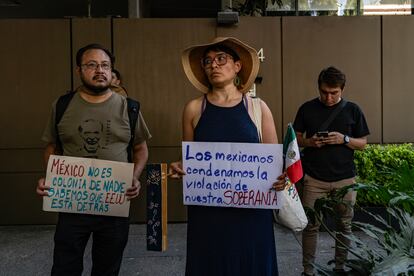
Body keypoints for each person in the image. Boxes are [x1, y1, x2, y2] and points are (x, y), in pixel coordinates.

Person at [169, 37, 287, 276]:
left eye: (221, 59)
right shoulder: (193, 108)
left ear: (237, 66)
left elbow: (274, 162)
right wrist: (181, 167)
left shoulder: (258, 107)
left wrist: (281, 177)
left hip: (252, 211)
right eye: (208, 61)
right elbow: (190, 158)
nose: (214, 65)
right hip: (208, 213)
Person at [36, 43, 151, 276]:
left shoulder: (129, 108)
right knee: (64, 266)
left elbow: (141, 149)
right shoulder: (62, 105)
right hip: (72, 204)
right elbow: (52, 148)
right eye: (92, 65)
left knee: (107, 268)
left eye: (105, 65)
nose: (100, 70)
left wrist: (134, 177)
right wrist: (50, 176)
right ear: (79, 70)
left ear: (111, 71)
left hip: (114, 203)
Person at [293, 66, 370, 276]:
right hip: (313, 178)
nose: (328, 97)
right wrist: (310, 141)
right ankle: (307, 271)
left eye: (334, 93)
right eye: (324, 92)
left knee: (344, 225)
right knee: (310, 226)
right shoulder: (307, 108)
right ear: (319, 88)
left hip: (345, 179)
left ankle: (340, 268)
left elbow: (362, 143)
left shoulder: (353, 109)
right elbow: (295, 137)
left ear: (342, 90)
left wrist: (343, 139)